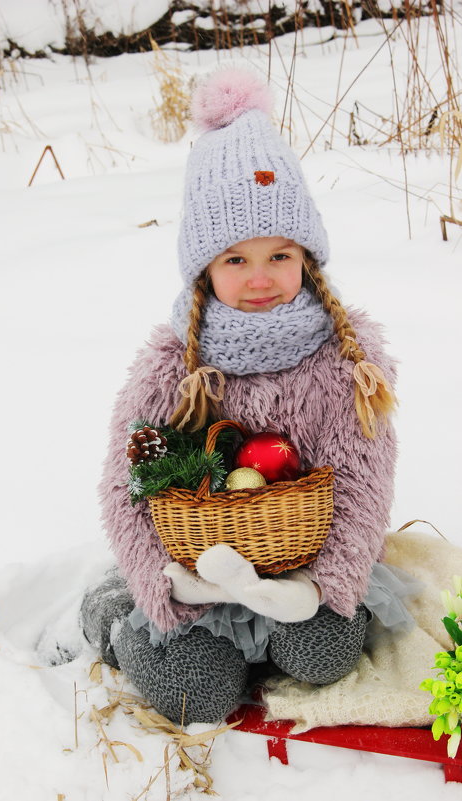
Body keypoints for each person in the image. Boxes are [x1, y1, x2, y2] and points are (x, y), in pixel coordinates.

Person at [77, 68, 409, 725]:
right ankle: (117, 611)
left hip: (299, 570)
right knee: (193, 695)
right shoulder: (173, 364)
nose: (260, 278)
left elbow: (364, 480)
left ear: (306, 258)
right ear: (203, 267)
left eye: (278, 255)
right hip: (196, 573)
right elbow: (126, 484)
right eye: (234, 260)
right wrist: (162, 586)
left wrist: (326, 585)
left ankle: (300, 618)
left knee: (323, 653)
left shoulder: (345, 361)